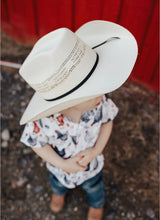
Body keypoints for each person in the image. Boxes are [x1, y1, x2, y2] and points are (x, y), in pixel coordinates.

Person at [19, 20, 138, 220]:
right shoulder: (45, 121)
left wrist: (95, 151)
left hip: (91, 166)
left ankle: (96, 205)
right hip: (61, 171)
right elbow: (36, 144)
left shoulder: (100, 102)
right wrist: (62, 164)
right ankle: (58, 195)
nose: (101, 93)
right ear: (66, 101)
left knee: (95, 188)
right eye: (92, 92)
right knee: (57, 185)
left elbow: (107, 122)